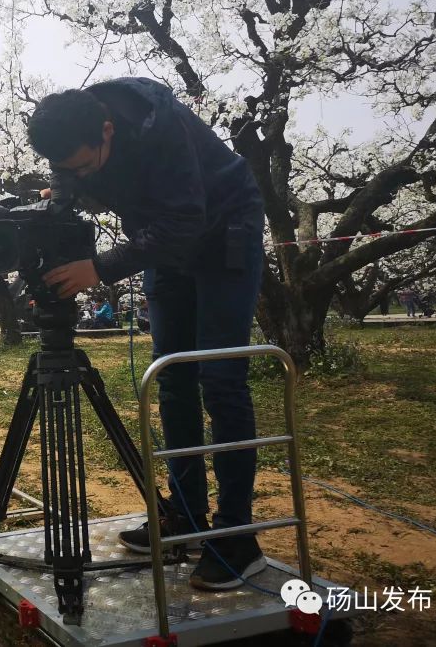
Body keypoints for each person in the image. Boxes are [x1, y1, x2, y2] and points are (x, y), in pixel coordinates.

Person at [28, 77, 266, 591]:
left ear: (108, 130)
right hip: (162, 240)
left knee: (220, 380)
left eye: (84, 166)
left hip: (225, 230)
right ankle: (184, 518)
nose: (76, 174)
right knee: (174, 380)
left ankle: (238, 538)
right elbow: (69, 171)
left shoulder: (164, 128)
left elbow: (185, 217)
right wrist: (63, 194)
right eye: (64, 167)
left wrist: (100, 267)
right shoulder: (75, 131)